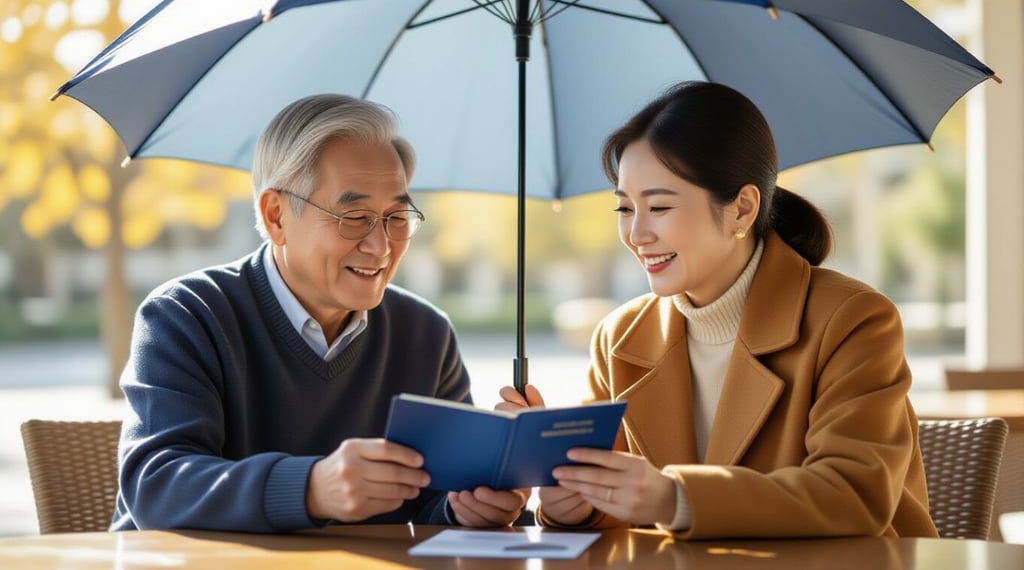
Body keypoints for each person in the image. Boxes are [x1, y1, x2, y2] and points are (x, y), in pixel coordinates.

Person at [498, 81, 938, 539]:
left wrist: (676, 497)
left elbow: (854, 495)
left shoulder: (852, 319)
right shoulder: (621, 337)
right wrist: (575, 502)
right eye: (625, 208)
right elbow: (623, 513)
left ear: (742, 210)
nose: (636, 234)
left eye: (659, 206)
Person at [112, 94, 528, 532]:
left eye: (397, 216)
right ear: (275, 216)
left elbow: (432, 502)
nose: (381, 246)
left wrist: (466, 507)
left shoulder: (424, 332)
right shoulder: (186, 315)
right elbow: (155, 486)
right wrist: (312, 488)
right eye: (355, 216)